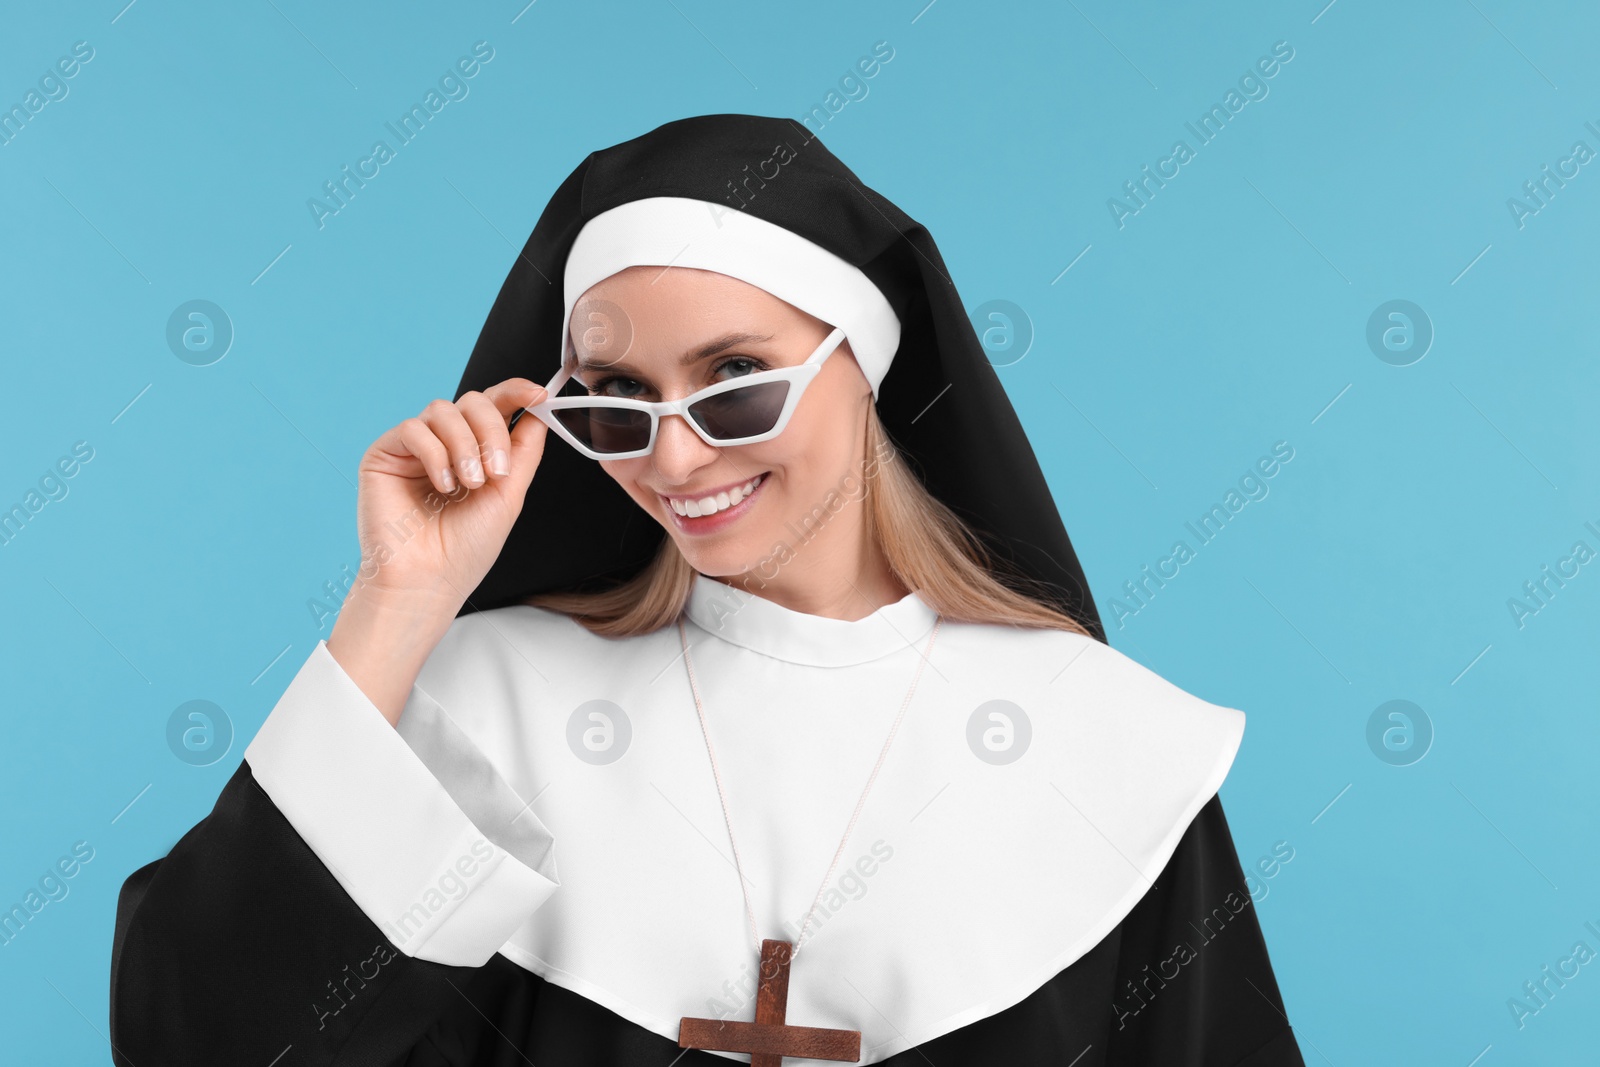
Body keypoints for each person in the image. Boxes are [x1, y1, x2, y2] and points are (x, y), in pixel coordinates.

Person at [110, 114, 1305, 1066]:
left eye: (736, 380)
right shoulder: (486, 706)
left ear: (866, 366)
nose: (674, 460)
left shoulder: (1102, 745)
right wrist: (398, 604)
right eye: (614, 401)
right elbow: (200, 1043)